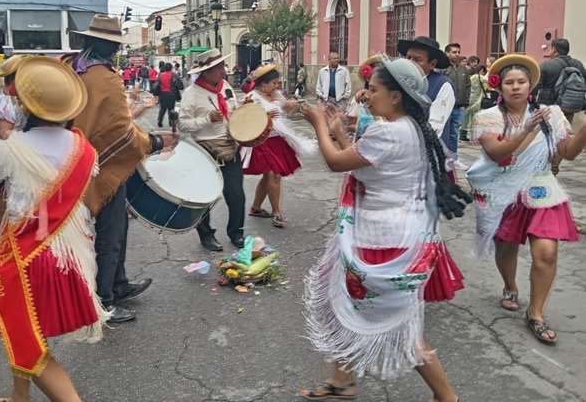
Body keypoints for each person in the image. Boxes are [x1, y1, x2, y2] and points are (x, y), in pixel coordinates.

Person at [299, 57, 471, 402]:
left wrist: (318, 123)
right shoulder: (407, 128)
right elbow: (364, 161)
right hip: (397, 236)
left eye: (374, 89)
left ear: (396, 96)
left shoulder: (387, 130)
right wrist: (338, 132)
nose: (367, 94)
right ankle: (342, 381)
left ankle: (447, 397)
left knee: (402, 331)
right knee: (343, 309)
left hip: (382, 241)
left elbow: (337, 162)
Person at [0, 57, 104, 402]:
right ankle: (19, 397)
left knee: (28, 341)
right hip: (67, 260)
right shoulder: (84, 149)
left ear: (23, 103)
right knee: (25, 331)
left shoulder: (6, 151)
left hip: (26, 262)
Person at [65, 14, 178, 323]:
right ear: (108, 45)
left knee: (115, 231)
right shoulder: (104, 76)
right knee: (110, 234)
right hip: (103, 167)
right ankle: (104, 301)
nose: (115, 52)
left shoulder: (73, 68)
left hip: (76, 161)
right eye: (114, 46)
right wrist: (155, 142)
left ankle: (119, 283)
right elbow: (121, 133)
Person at [467, 54, 586, 345]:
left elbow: (568, 153)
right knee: (506, 247)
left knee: (546, 252)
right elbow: (497, 154)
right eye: (509, 82)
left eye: (522, 81)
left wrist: (584, 132)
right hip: (504, 191)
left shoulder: (551, 114)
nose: (516, 87)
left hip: (541, 189)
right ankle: (510, 286)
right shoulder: (488, 118)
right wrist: (527, 128)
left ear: (530, 85)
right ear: (499, 87)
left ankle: (535, 313)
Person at [179, 48, 246, 252]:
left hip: (229, 146)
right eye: (217, 68)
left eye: (221, 66)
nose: (222, 71)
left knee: (236, 195)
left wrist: (243, 108)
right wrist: (206, 119)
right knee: (205, 197)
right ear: (205, 72)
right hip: (205, 149)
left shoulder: (226, 86)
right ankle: (206, 235)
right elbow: (183, 125)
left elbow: (232, 110)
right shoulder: (192, 94)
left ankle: (236, 233)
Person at [242, 64, 312, 228]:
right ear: (263, 84)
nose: (277, 86)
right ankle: (277, 212)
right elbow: (245, 119)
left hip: (277, 140)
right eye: (274, 83)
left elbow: (284, 109)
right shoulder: (252, 97)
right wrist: (264, 116)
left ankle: (256, 207)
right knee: (274, 175)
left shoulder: (275, 95)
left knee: (270, 176)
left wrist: (291, 105)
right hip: (262, 141)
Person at [398, 37, 454, 138]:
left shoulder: (442, 85)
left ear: (432, 64)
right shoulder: (400, 81)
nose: (409, 62)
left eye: (417, 59)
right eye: (408, 57)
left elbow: (434, 127)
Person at [534, 38, 586, 122]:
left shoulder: (546, 65)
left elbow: (535, 87)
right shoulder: (578, 64)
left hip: (550, 107)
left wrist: (532, 105)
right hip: (573, 106)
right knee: (568, 128)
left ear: (554, 49)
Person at [0, 55, 28, 142]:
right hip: (3, 151)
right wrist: (31, 136)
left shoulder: (19, 98)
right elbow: (4, 134)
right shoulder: (7, 101)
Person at [443, 43, 471, 162]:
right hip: (445, 107)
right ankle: (442, 156)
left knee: (454, 133)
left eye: (458, 52)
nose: (457, 54)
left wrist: (466, 102)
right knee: (444, 132)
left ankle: (453, 158)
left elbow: (468, 86)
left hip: (459, 106)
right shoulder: (443, 69)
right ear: (447, 53)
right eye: (454, 52)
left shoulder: (463, 69)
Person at [463, 63, 488, 142]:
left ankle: (463, 133)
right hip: (476, 100)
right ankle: (474, 135)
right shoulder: (480, 77)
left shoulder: (472, 77)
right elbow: (489, 80)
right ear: (481, 71)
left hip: (469, 98)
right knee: (475, 117)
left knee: (466, 117)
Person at [155, 63, 183, 128]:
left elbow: (157, 85)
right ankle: (171, 122)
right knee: (171, 109)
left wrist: (156, 94)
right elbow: (180, 85)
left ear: (165, 68)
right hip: (171, 94)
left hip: (162, 94)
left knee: (162, 108)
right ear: (171, 68)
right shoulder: (174, 75)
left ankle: (160, 121)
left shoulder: (160, 75)